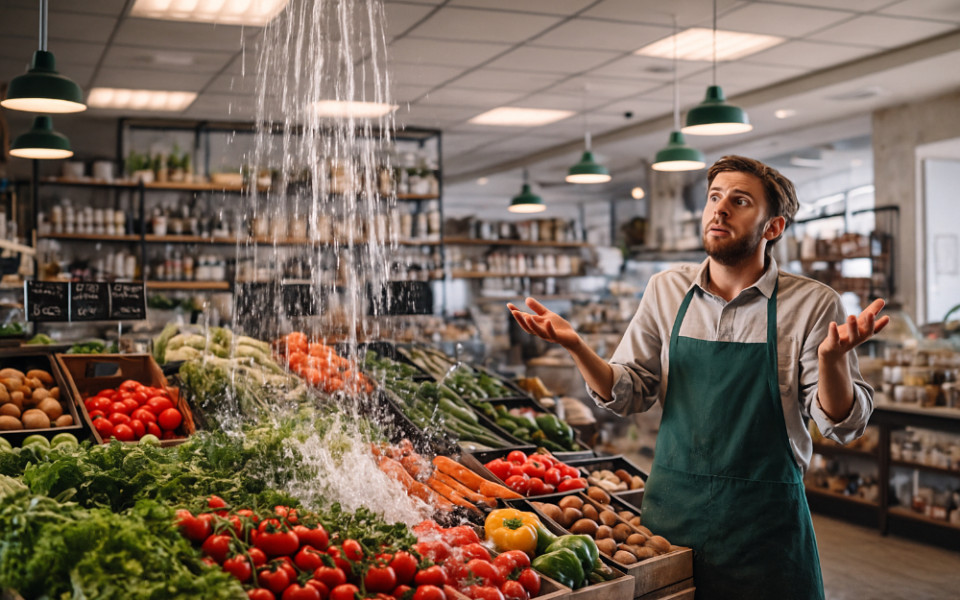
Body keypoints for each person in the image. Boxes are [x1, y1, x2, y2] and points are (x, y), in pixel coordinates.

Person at [508, 155, 889, 600]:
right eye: (714, 197)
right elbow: (631, 391)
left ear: (773, 227)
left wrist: (831, 362)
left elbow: (841, 424)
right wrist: (577, 347)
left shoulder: (811, 303)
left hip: (765, 530)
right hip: (673, 520)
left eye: (740, 200)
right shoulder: (666, 288)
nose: (720, 209)